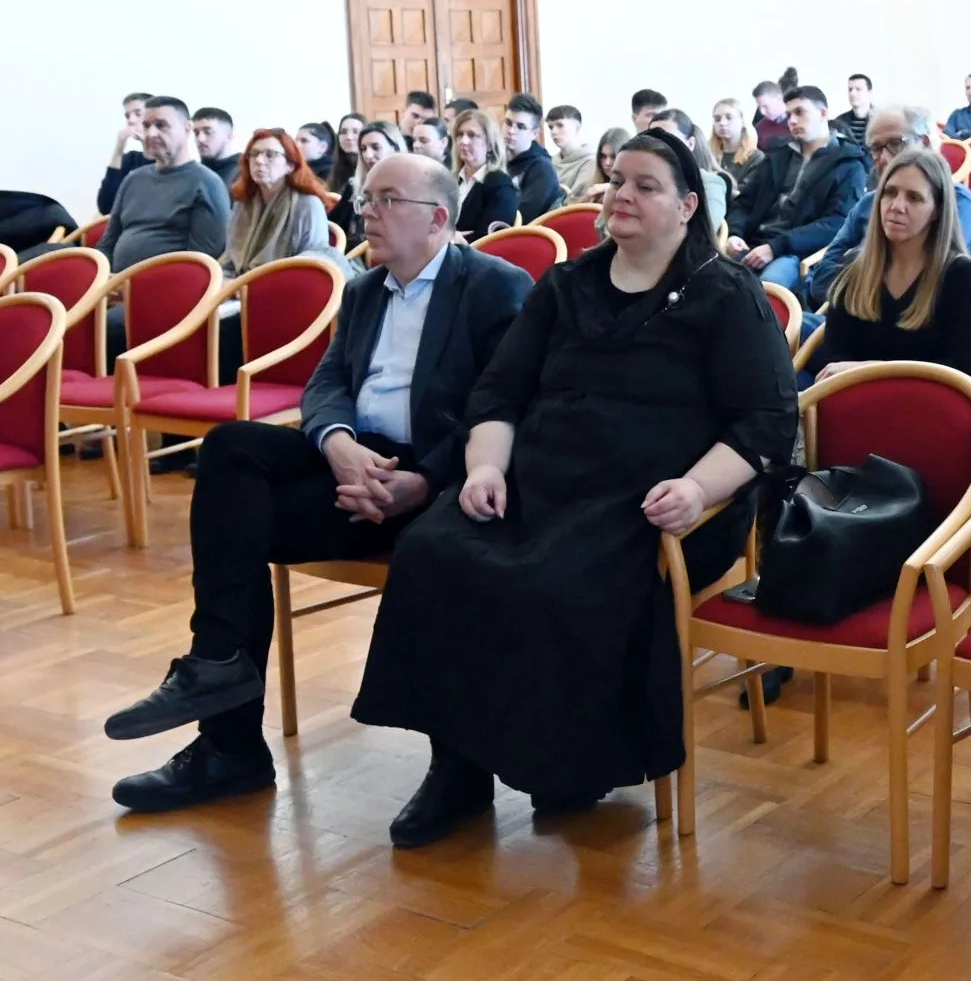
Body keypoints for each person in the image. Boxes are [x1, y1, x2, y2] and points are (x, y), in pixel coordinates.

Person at [349, 132, 797, 846]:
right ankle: (458, 769)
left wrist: (694, 488)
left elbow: (765, 422)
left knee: (555, 583)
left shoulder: (724, 292)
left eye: (645, 185)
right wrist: (486, 467)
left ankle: (571, 761)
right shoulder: (567, 285)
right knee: (434, 551)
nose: (623, 194)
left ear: (688, 205)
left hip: (663, 499)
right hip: (537, 477)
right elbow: (499, 391)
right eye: (618, 181)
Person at [103, 154, 532, 812]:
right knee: (232, 452)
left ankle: (459, 772)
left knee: (419, 552)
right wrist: (337, 445)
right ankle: (223, 708)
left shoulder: (494, 286)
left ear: (437, 218)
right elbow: (328, 382)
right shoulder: (363, 289)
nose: (368, 212)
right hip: (358, 463)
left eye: (387, 200)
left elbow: (501, 406)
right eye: (366, 198)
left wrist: (422, 480)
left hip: (446, 476)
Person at [817, 146, 971, 381]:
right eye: (889, 192)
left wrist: (872, 369)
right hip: (858, 397)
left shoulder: (960, 274)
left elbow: (962, 373)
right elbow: (834, 360)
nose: (896, 206)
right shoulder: (853, 267)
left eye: (914, 198)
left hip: (930, 402)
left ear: (937, 210)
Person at [803, 106, 971, 308]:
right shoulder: (868, 203)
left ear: (924, 143)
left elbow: (938, 280)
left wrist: (853, 258)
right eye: (876, 148)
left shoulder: (955, 200)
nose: (884, 158)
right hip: (855, 312)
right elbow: (821, 281)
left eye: (896, 144)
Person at [724, 85, 868, 292]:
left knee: (766, 291)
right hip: (751, 243)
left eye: (800, 112)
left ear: (823, 113)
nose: (791, 120)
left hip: (796, 253)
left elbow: (837, 223)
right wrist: (734, 233)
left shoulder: (849, 165)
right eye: (789, 114)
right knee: (703, 279)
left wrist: (776, 247)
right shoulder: (777, 156)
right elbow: (744, 203)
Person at [98, 96, 231, 272]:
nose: (151, 134)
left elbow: (201, 263)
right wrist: (104, 278)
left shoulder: (208, 184)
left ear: (187, 129)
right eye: (146, 126)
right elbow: (107, 244)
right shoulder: (133, 179)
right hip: (115, 283)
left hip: (170, 284)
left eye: (161, 125)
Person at [220, 128, 335, 278]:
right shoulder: (243, 203)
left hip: (285, 284)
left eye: (270, 155)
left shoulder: (308, 205)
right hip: (237, 283)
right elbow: (230, 257)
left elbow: (313, 264)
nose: (259, 161)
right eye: (254, 154)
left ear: (290, 165)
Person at [649, 109, 731, 235]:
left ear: (691, 143)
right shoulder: (641, 181)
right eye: (652, 141)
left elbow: (704, 232)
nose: (659, 148)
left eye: (670, 140)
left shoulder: (709, 183)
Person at [329, 121, 406, 252]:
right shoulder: (354, 186)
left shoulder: (411, 188)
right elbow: (333, 226)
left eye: (375, 147)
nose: (368, 155)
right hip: (354, 258)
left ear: (396, 148)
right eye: (363, 149)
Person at [451, 109, 518, 238]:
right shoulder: (452, 181)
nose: (463, 141)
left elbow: (492, 237)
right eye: (460, 134)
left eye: (472, 135)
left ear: (490, 144)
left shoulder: (499, 183)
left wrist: (452, 239)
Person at [502, 92, 563, 219]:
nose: (511, 131)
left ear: (534, 133)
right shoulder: (497, 159)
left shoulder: (542, 168)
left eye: (521, 127)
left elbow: (523, 218)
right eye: (508, 123)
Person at [98, 91, 154, 213]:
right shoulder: (129, 160)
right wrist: (118, 149)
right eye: (127, 116)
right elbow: (106, 207)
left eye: (138, 114)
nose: (131, 120)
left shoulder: (172, 162)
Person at [545, 104, 599, 203]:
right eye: (551, 127)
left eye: (560, 125)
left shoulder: (590, 162)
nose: (553, 132)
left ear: (577, 128)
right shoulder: (549, 162)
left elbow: (575, 200)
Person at [710, 98, 765, 186]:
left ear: (742, 121)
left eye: (728, 118)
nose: (722, 123)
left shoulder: (756, 157)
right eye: (717, 119)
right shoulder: (709, 155)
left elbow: (746, 191)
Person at [192, 107, 244, 186]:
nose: (200, 139)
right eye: (196, 133)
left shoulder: (245, 173)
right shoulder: (192, 174)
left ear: (228, 136)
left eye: (208, 132)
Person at [329, 112, 367, 195]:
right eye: (343, 132)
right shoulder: (332, 169)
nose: (349, 137)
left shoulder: (374, 167)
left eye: (355, 131)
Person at [749, 80, 788, 152]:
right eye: (759, 107)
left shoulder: (797, 122)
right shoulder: (759, 128)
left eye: (765, 106)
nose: (762, 112)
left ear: (779, 98)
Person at [836, 74, 874, 145]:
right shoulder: (840, 122)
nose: (852, 93)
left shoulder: (881, 120)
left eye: (858, 89)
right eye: (850, 89)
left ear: (870, 93)